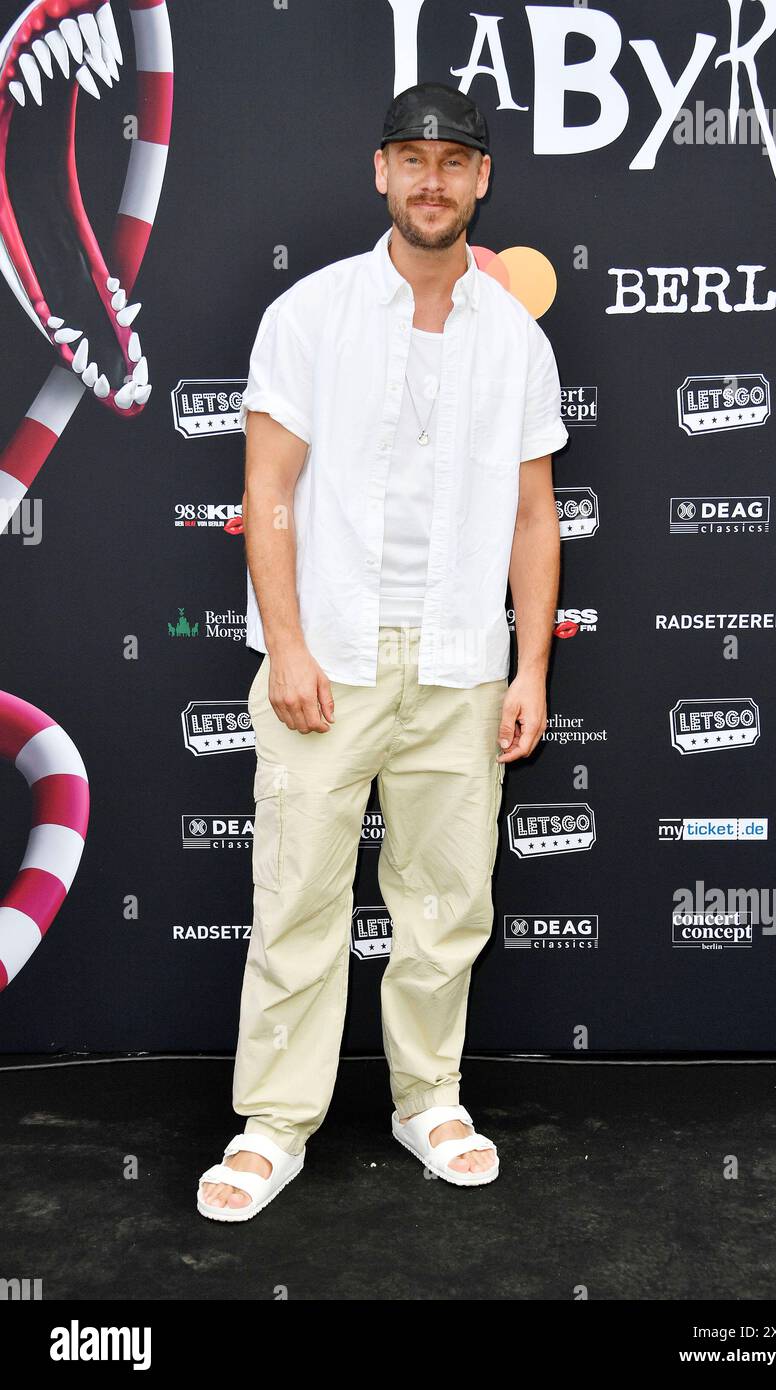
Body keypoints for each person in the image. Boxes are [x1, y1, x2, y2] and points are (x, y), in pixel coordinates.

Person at [197, 81, 569, 1220]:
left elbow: (533, 516)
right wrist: (289, 646)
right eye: (412, 159)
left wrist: (533, 667)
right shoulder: (309, 314)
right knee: (299, 897)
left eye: (453, 162)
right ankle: (273, 1122)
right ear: (380, 172)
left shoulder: (514, 335)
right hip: (331, 659)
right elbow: (265, 495)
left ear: (483, 180)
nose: (432, 180)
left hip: (461, 661)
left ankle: (428, 1098)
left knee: (446, 902)